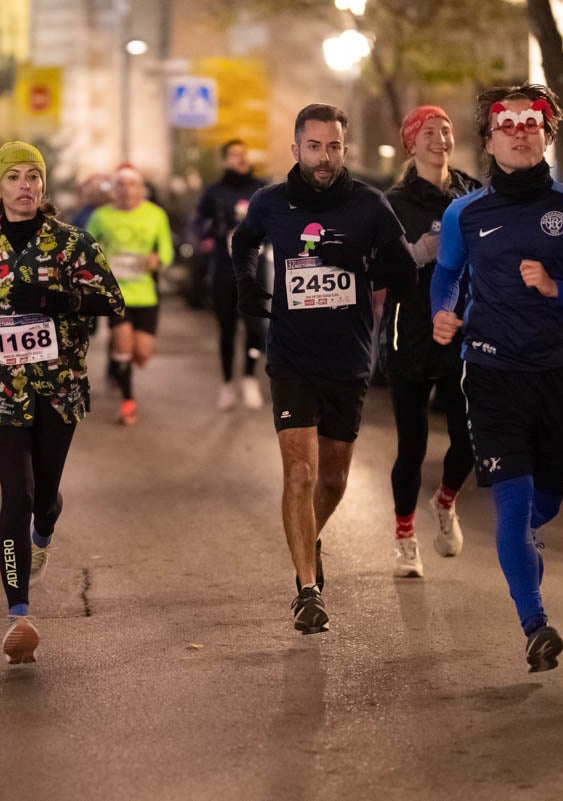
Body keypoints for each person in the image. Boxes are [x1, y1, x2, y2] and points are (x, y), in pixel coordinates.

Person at [431, 84, 563, 672]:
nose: (519, 132)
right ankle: (535, 625)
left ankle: (527, 546)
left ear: (546, 134)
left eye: (531, 124)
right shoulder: (465, 211)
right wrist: (444, 312)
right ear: (488, 139)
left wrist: (555, 288)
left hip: (557, 374)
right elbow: (448, 276)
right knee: (511, 510)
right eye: (506, 124)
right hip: (489, 372)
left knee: (542, 508)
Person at [0, 142, 124, 665]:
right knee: (14, 495)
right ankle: (19, 616)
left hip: (58, 385)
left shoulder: (73, 244)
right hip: (1, 385)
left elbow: (113, 300)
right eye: (13, 177)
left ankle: (45, 528)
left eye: (33, 177)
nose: (24, 186)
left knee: (43, 499)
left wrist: (53, 300)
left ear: (43, 186)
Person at [231, 103, 418, 635]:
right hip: (291, 357)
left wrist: (358, 261)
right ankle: (307, 589)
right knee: (301, 472)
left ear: (345, 148)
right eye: (313, 146)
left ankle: (307, 536)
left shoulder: (369, 206)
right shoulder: (273, 202)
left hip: (349, 358)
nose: (324, 157)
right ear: (296, 149)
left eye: (333, 146)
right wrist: (246, 283)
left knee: (333, 478)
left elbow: (402, 270)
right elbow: (245, 240)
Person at [382, 106, 481, 578]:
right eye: (428, 132)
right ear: (410, 143)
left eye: (445, 130)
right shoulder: (395, 201)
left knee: (470, 437)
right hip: (411, 329)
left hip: (463, 329)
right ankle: (405, 539)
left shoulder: (472, 193)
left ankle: (445, 501)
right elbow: (376, 268)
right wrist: (416, 253)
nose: (439, 139)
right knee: (412, 445)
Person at [86, 164, 174, 425]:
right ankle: (128, 401)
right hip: (115, 293)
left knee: (142, 355)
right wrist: (97, 264)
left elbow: (167, 251)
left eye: (132, 184)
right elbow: (86, 247)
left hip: (146, 293)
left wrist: (158, 259)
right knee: (124, 344)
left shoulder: (156, 215)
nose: (126, 190)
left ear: (141, 189)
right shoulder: (101, 216)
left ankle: (119, 362)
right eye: (121, 185)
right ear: (114, 190)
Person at [194, 139, 268, 411]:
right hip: (224, 271)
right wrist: (206, 237)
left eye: (244, 153)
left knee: (254, 328)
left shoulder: (261, 188)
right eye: (235, 155)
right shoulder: (214, 192)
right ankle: (227, 383)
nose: (241, 159)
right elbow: (198, 221)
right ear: (224, 160)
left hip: (254, 271)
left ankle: (249, 377)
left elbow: (276, 218)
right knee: (226, 329)